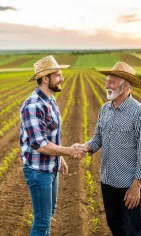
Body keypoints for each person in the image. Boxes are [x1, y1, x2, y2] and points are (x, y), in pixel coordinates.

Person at [77, 62, 141, 236]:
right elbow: (97, 139)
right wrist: (84, 147)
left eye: (111, 81)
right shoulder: (105, 109)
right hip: (107, 181)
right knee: (114, 224)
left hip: (128, 185)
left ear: (125, 85)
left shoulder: (139, 113)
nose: (106, 85)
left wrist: (136, 186)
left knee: (131, 230)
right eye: (107, 81)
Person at [20, 55, 87, 236]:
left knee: (49, 215)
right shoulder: (33, 105)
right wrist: (68, 152)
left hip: (50, 167)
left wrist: (59, 158)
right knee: (42, 222)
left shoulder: (50, 101)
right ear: (45, 78)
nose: (62, 78)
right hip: (38, 170)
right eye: (58, 75)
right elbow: (40, 144)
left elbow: (51, 137)